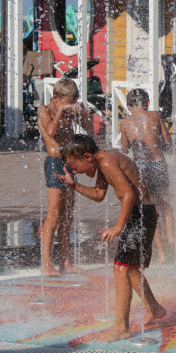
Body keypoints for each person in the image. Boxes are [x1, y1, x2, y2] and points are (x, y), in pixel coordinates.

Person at [57, 134, 166, 343]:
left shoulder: (107, 162)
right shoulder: (103, 161)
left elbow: (129, 195)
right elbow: (99, 195)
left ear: (87, 156)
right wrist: (74, 185)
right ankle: (155, 308)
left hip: (140, 214)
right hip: (142, 213)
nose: (76, 172)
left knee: (121, 267)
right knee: (129, 267)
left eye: (75, 167)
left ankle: (121, 327)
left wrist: (118, 226)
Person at [38, 78, 93, 276]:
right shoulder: (45, 109)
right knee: (54, 214)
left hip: (68, 164)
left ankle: (65, 262)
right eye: (68, 101)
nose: (70, 105)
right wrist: (61, 111)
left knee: (68, 216)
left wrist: (83, 113)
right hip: (54, 163)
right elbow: (51, 132)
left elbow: (90, 129)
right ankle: (46, 263)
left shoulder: (68, 111)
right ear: (56, 98)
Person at [120, 88, 174, 264]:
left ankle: (162, 253)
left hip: (141, 167)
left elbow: (125, 149)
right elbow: (167, 140)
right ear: (147, 103)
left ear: (128, 106)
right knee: (164, 203)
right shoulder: (155, 115)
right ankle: (172, 239)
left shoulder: (125, 122)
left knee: (150, 208)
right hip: (159, 164)